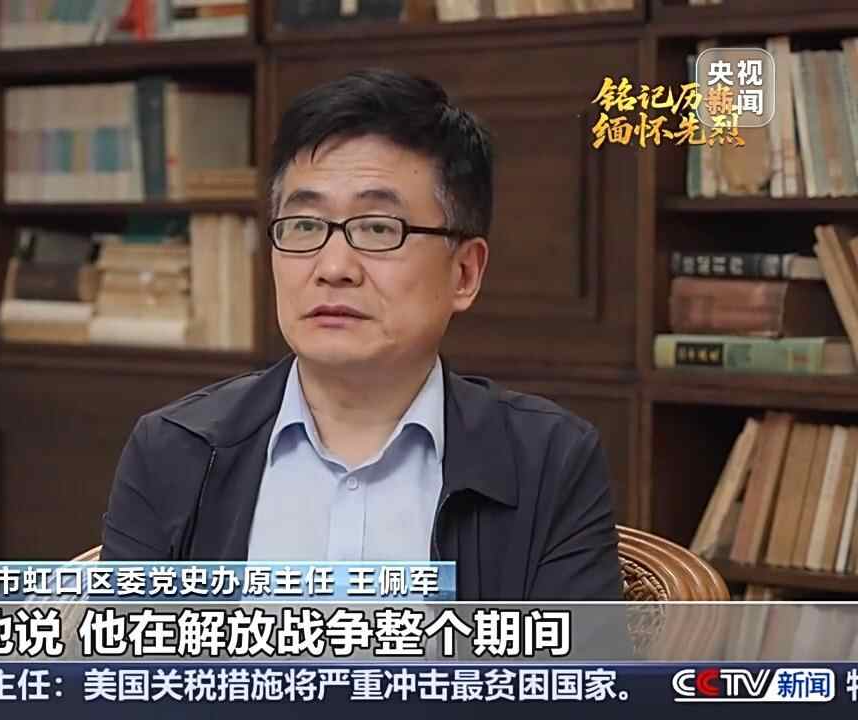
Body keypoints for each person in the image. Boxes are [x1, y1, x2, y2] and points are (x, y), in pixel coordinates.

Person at [99, 68, 623, 601]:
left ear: (464, 273)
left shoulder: (551, 461)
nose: (333, 268)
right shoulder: (172, 452)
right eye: (305, 226)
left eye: (378, 228)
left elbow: (575, 657)